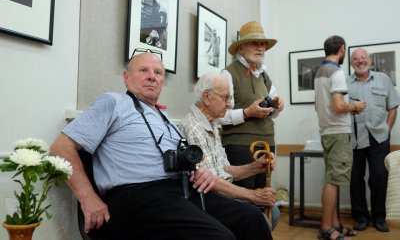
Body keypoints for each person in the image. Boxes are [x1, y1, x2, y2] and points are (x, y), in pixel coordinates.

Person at [50, 50, 272, 240]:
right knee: (218, 237)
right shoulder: (114, 102)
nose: (151, 77)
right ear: (126, 77)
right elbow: (60, 148)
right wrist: (88, 199)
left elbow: (180, 160)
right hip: (137, 195)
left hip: (182, 189)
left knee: (252, 218)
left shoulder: (163, 117)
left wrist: (199, 172)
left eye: (158, 73)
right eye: (143, 71)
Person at [179, 72, 280, 230]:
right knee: (259, 218)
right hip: (207, 200)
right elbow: (211, 181)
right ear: (206, 97)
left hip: (220, 195)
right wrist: (253, 195)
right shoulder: (193, 127)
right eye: (225, 98)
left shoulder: (212, 124)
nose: (229, 104)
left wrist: (255, 167)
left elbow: (225, 170)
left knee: (273, 212)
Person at [220, 21, 284, 190]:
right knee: (244, 200)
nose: (260, 47)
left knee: (262, 197)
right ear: (241, 48)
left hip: (267, 144)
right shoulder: (228, 73)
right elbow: (219, 116)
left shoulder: (264, 75)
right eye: (255, 43)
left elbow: (272, 112)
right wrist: (247, 112)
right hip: (240, 147)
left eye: (263, 44)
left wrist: (276, 106)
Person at [314, 35, 367, 240]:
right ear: (342, 49)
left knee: (332, 179)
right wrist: (355, 106)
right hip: (338, 132)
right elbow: (338, 105)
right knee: (333, 181)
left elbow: (320, 105)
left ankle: (335, 224)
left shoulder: (320, 72)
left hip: (327, 131)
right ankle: (326, 228)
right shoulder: (336, 72)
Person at [347, 48, 400, 232]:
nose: (360, 61)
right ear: (351, 63)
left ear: (369, 60)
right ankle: (360, 217)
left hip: (379, 137)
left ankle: (379, 217)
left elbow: (393, 106)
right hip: (354, 137)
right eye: (356, 59)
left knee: (379, 177)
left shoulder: (383, 79)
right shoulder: (345, 83)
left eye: (363, 58)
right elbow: (339, 108)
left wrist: (387, 128)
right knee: (355, 179)